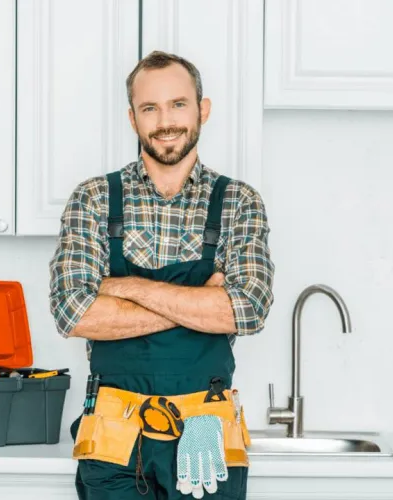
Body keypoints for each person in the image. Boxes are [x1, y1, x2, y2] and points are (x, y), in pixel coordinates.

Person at [49, 50, 275, 500]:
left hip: (204, 427)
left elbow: (247, 310)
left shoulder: (238, 202)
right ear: (132, 119)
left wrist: (125, 288)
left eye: (178, 104)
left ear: (202, 110)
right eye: (149, 108)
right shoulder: (94, 198)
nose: (165, 120)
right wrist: (200, 303)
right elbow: (74, 314)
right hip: (113, 435)